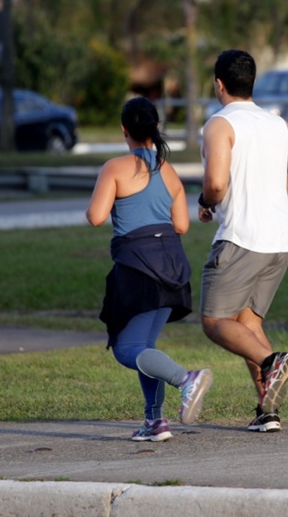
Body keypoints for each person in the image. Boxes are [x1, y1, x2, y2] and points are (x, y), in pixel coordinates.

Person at [197, 49, 288, 433]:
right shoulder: (276, 123)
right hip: (280, 239)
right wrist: (267, 195)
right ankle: (268, 411)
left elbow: (215, 183)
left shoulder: (219, 123)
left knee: (214, 321)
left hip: (242, 238)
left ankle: (272, 361)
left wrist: (206, 202)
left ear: (219, 84)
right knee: (247, 323)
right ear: (252, 83)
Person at [86, 97, 213, 442]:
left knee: (128, 349)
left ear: (124, 130)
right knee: (145, 345)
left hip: (137, 268)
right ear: (156, 128)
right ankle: (155, 421)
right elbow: (182, 225)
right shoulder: (168, 170)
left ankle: (186, 379)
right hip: (171, 265)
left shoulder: (115, 167)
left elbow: (96, 217)